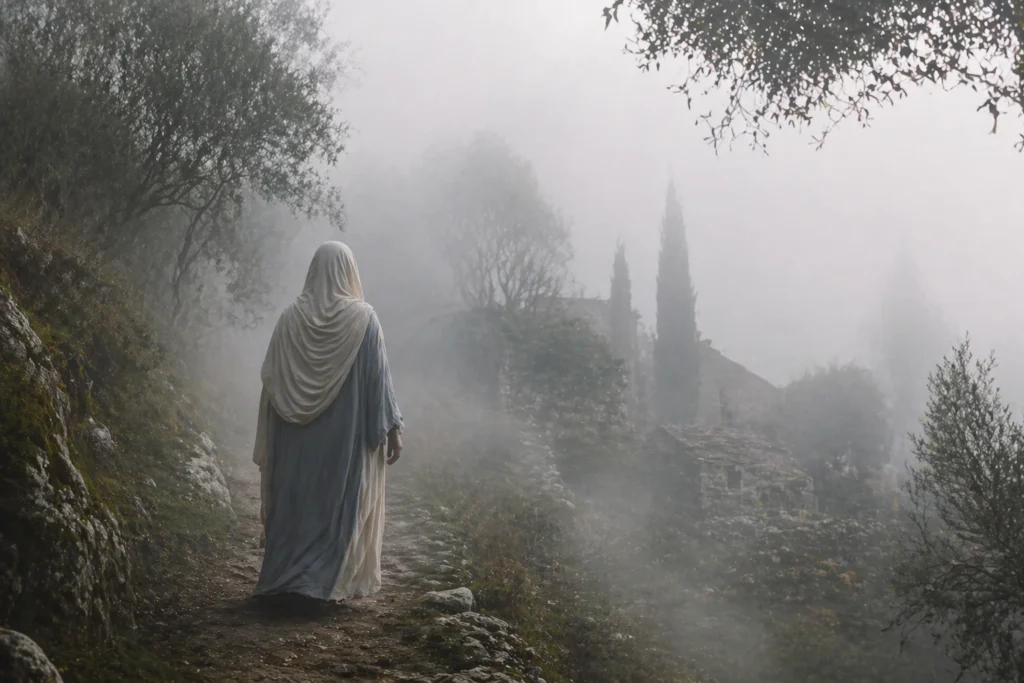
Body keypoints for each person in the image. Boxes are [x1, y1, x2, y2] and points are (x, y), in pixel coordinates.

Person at [251, 241, 403, 602]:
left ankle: (284, 580)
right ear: (350, 272)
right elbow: (379, 382)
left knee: (295, 504)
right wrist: (393, 428)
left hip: (294, 441)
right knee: (334, 505)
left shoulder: (290, 319)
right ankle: (318, 585)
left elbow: (272, 379)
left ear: (313, 271)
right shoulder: (364, 320)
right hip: (341, 442)